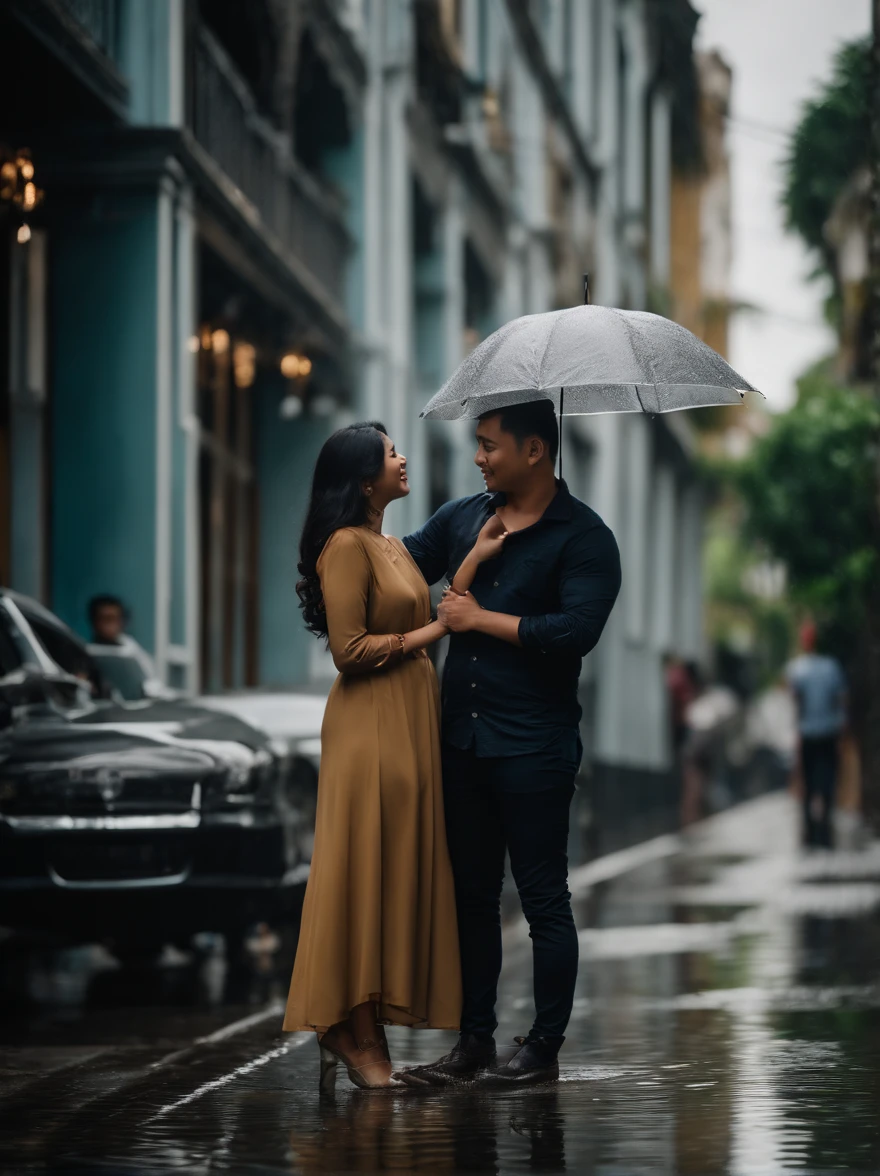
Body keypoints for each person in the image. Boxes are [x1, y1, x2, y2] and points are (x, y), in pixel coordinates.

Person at [398, 400, 621, 1087]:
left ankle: (542, 1049)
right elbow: (403, 570)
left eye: (489, 445)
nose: (478, 457)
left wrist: (477, 617)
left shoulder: (585, 538)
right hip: (461, 740)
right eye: (476, 444)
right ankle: (473, 1043)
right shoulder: (464, 517)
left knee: (543, 898)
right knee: (471, 899)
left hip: (534, 745)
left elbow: (573, 631)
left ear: (534, 451)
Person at [282, 421, 463, 1090]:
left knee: (390, 871)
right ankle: (348, 1031)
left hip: (409, 719)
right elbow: (349, 650)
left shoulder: (389, 544)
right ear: (364, 478)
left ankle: (367, 1030)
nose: (404, 458)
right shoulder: (345, 546)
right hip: (369, 724)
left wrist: (477, 559)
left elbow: (430, 604)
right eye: (391, 454)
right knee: (363, 871)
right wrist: (430, 633)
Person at [785, 620, 847, 848]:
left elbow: (796, 704)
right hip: (827, 731)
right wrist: (840, 728)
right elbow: (840, 701)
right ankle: (824, 821)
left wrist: (796, 732)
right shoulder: (830, 667)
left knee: (810, 780)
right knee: (827, 777)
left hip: (809, 732)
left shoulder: (797, 669)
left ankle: (811, 827)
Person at [87, 594, 156, 678]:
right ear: (94, 621)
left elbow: (150, 681)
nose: (110, 625)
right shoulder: (87, 652)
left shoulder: (132, 652)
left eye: (114, 618)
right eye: (106, 619)